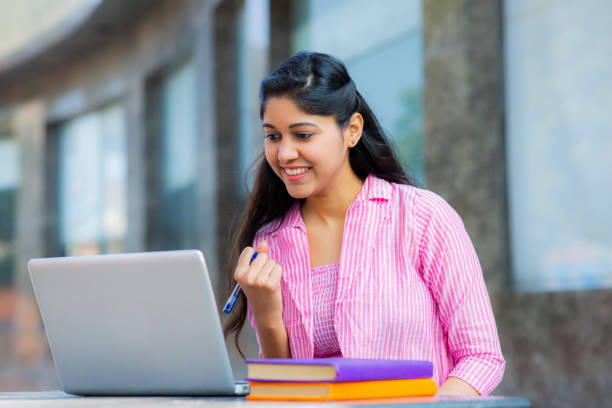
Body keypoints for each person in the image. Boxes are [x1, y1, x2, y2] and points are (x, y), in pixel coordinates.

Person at [223, 51, 505, 396]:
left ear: (352, 131)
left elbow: (482, 357)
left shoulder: (422, 217)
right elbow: (285, 392)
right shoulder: (271, 242)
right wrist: (267, 315)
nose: (283, 154)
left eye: (303, 135)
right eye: (273, 136)